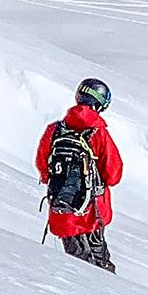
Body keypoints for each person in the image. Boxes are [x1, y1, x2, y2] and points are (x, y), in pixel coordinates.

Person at [36, 77, 124, 272]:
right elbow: (113, 173)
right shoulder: (99, 133)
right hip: (93, 212)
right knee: (100, 268)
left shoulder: (54, 130)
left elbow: (43, 166)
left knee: (78, 270)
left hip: (63, 213)